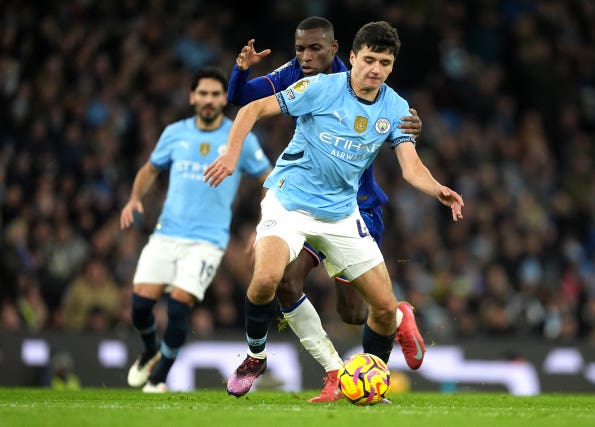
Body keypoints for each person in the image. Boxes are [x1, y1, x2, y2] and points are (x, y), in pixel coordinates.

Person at [204, 21, 464, 399]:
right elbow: (251, 109)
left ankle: (373, 386)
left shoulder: (395, 107)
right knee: (266, 281)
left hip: (342, 214)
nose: (376, 69)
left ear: (392, 66)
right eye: (370, 59)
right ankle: (256, 357)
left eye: (385, 63)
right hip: (289, 202)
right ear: (353, 57)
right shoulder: (320, 87)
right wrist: (230, 153)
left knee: (380, 311)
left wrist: (437, 188)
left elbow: (411, 166)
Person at [121, 66, 272, 393]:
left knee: (177, 306)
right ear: (192, 97)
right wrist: (134, 198)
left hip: (207, 240)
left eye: (216, 94)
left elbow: (269, 180)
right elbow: (150, 169)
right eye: (202, 93)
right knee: (140, 307)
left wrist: (265, 223)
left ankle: (159, 377)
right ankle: (149, 351)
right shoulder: (175, 133)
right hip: (166, 233)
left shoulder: (239, 137)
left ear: (223, 99)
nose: (208, 100)